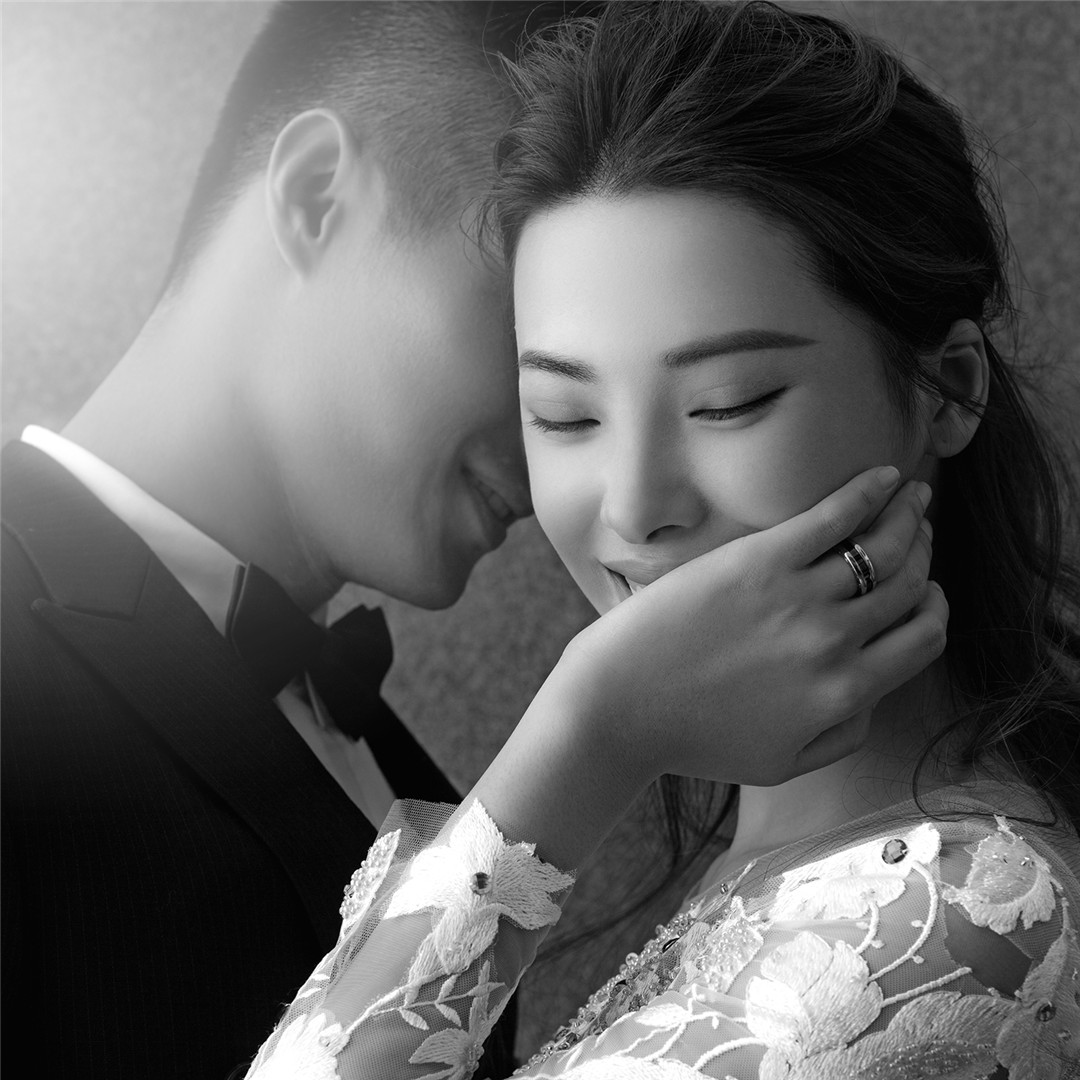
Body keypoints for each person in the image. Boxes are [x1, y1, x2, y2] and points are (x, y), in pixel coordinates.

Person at [0, 3, 941, 1078]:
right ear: (316, 196)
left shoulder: (389, 764)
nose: (569, 474)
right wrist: (594, 740)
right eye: (537, 349)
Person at [240, 3, 1080, 1078]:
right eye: (566, 416)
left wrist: (589, 732)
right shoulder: (800, 872)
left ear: (947, 390)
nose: (634, 506)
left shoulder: (952, 924)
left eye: (727, 403)